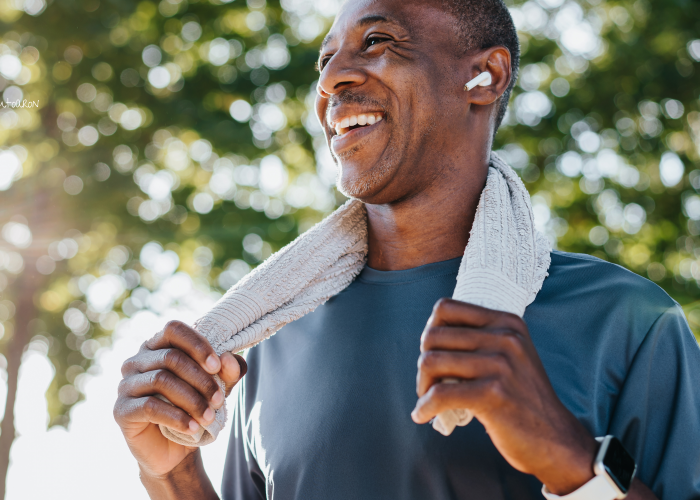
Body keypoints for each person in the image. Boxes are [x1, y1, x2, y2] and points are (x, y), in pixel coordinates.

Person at [113, 0, 700, 499]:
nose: (331, 79)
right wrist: (173, 475)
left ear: (485, 77)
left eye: (377, 41)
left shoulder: (628, 322)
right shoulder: (270, 340)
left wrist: (573, 462)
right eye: (325, 59)